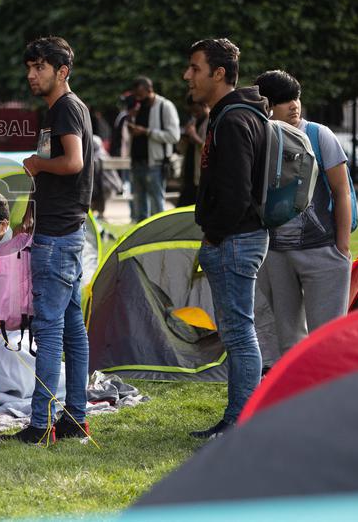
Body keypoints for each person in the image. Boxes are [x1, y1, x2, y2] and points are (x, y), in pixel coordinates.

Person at [184, 38, 269, 440]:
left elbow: (236, 193)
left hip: (234, 239)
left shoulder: (234, 120)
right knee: (238, 333)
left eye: (195, 68)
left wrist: (215, 235)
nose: (188, 75)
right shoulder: (236, 114)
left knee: (238, 334)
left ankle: (240, 423)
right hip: (238, 237)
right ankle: (237, 419)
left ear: (219, 73)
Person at [16, 36, 93, 445]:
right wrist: (31, 207)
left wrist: (35, 163)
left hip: (58, 237)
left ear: (62, 71)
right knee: (72, 329)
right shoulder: (60, 111)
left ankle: (40, 424)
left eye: (40, 68)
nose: (31, 75)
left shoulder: (64, 108)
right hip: (64, 230)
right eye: (29, 67)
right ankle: (75, 417)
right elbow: (52, 171)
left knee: (48, 331)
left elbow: (73, 162)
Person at [253, 70, 352, 369]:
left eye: (295, 97)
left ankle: (331, 400)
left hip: (322, 249)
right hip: (277, 253)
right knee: (289, 339)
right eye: (284, 100)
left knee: (328, 337)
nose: (293, 105)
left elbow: (341, 191)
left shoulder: (319, 135)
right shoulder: (259, 139)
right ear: (267, 106)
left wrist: (341, 246)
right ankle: (297, 399)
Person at [0, 191, 64, 417]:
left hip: (24, 333)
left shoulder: (25, 250)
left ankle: (59, 379)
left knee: (14, 356)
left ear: (3, 225)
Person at [127, 77, 180, 221]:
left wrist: (147, 132)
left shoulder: (165, 106)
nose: (138, 98)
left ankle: (159, 237)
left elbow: (174, 136)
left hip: (155, 164)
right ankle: (142, 240)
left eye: (140, 94)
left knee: (157, 205)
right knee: (139, 207)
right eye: (136, 95)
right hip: (137, 162)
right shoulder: (139, 108)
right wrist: (131, 121)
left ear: (149, 90)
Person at [177, 97, 209, 207]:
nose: (195, 114)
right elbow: (181, 149)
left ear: (204, 106)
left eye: (196, 111)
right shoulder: (193, 122)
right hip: (188, 174)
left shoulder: (211, 121)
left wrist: (195, 137)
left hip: (200, 176)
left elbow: (210, 150)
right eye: (192, 111)